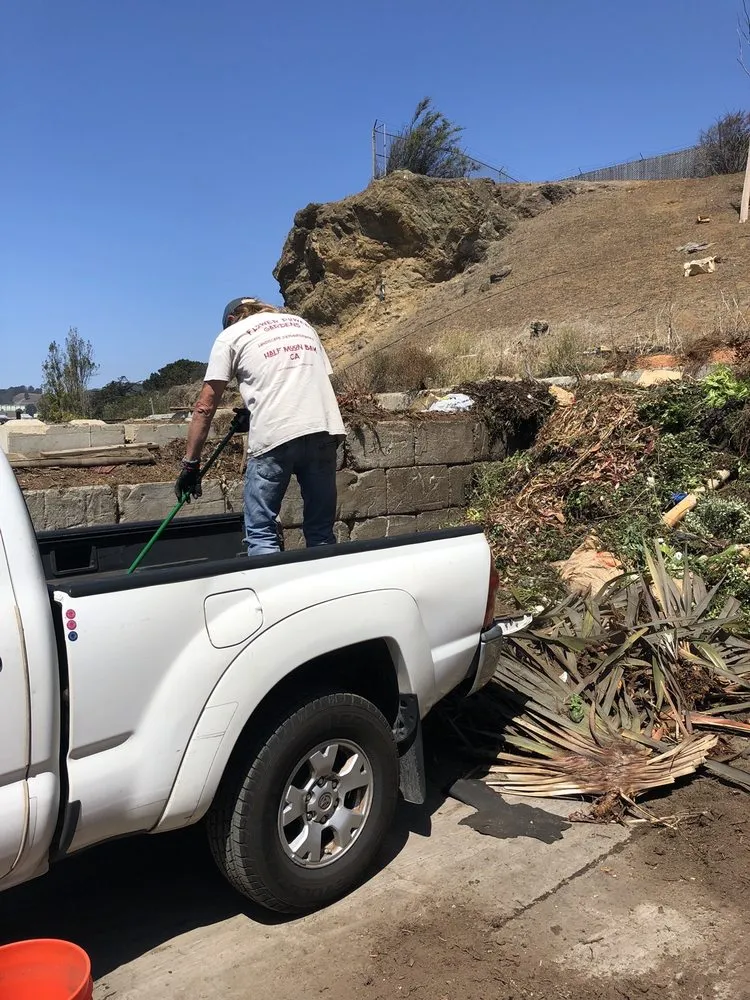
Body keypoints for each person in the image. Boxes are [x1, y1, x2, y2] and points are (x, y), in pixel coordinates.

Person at [175, 297, 345, 556]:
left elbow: (204, 408)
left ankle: (269, 593)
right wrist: (253, 412)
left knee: (262, 533)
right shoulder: (301, 325)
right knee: (321, 532)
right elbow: (307, 380)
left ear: (231, 319)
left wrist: (190, 465)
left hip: (273, 437)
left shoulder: (231, 335)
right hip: (323, 429)